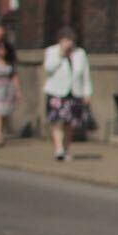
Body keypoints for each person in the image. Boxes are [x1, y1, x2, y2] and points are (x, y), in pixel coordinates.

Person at [42, 26, 93, 161]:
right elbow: (48, 68)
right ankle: (58, 149)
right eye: (66, 40)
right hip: (56, 92)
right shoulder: (52, 51)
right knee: (57, 121)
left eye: (70, 40)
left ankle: (66, 149)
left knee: (69, 123)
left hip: (74, 92)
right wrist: (61, 54)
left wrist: (87, 92)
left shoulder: (80, 53)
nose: (69, 43)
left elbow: (85, 74)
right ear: (60, 40)